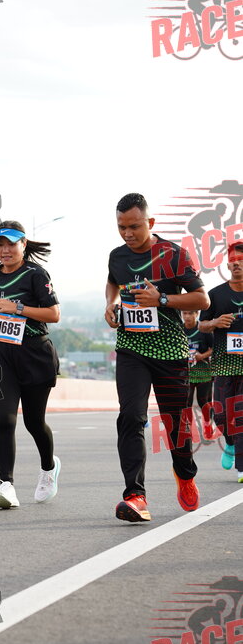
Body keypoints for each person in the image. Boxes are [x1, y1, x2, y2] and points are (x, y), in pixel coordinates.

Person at [105, 193, 209, 523]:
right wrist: (110, 304)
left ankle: (185, 473)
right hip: (131, 349)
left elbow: (202, 300)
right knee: (130, 417)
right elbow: (113, 282)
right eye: (121, 227)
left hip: (170, 351)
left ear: (150, 223)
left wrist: (161, 299)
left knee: (176, 424)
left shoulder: (173, 255)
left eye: (134, 227)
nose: (127, 233)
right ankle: (135, 496)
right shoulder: (117, 256)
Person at [0, 221, 61, 509]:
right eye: (0, 244)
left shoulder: (36, 274)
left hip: (35, 355)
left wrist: (18, 308)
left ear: (23, 244)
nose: (5, 250)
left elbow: (54, 314)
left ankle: (48, 468)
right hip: (3, 356)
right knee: (4, 420)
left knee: (34, 422)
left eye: (11, 244)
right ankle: (6, 486)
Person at [199, 241, 243, 480]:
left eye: (241, 260)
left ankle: (241, 468)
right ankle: (230, 442)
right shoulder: (215, 294)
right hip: (224, 364)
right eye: (233, 260)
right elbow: (201, 325)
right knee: (222, 416)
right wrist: (215, 323)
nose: (236, 264)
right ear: (227, 264)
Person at [182, 309, 214, 440]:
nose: (187, 316)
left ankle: (207, 424)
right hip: (185, 372)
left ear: (197, 314)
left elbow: (214, 348)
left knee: (203, 402)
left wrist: (202, 356)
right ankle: (188, 428)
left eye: (190, 313)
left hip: (203, 372)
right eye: (184, 313)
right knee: (186, 402)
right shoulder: (179, 329)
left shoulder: (204, 330)